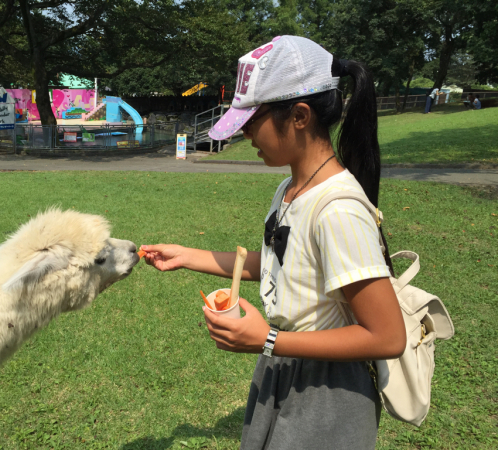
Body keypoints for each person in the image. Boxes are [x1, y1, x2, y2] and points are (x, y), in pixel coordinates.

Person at [141, 36, 406, 450]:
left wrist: (266, 340)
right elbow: (276, 263)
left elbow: (388, 336)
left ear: (299, 116)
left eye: (251, 121)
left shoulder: (337, 209)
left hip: (328, 394)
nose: (245, 134)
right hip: (283, 369)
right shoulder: (290, 188)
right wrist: (186, 255)